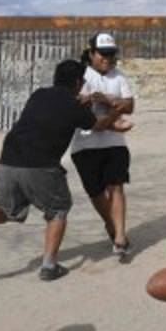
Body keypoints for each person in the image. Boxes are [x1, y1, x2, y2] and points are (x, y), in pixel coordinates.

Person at [0, 59, 128, 281]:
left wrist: (79, 106)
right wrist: (117, 112)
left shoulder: (39, 94)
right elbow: (98, 124)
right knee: (58, 209)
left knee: (5, 209)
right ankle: (49, 266)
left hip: (9, 159)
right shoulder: (74, 107)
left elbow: (52, 113)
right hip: (40, 164)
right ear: (77, 82)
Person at [72, 32, 135, 260]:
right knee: (96, 193)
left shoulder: (119, 77)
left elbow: (130, 105)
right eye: (102, 54)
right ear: (91, 53)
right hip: (85, 145)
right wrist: (111, 113)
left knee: (116, 186)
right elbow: (78, 110)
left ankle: (120, 236)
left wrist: (108, 101)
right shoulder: (81, 76)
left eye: (111, 55)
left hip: (115, 144)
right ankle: (111, 224)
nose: (107, 59)